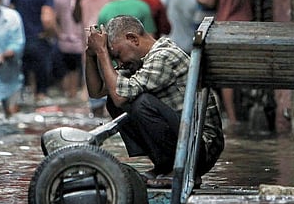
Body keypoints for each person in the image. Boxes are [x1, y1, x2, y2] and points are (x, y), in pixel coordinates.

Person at [85, 15, 224, 183]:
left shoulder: (163, 56)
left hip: (201, 148)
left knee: (140, 102)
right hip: (186, 141)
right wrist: (91, 55)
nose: (120, 63)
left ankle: (180, 169)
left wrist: (102, 52)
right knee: (114, 102)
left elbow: (121, 96)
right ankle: (165, 165)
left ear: (133, 39)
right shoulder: (139, 62)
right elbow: (97, 91)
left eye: (118, 55)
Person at [196, 0, 253, 126]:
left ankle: (233, 119)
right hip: (247, 25)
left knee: (227, 74)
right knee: (242, 71)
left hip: (227, 27)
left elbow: (210, 1)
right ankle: (242, 113)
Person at [74, 0, 118, 116]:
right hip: (90, 51)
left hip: (113, 52)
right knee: (95, 105)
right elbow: (76, 18)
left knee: (117, 100)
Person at [13, 0, 57, 104]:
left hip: (19, 42)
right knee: (41, 92)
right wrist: (51, 34)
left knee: (23, 89)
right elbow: (47, 19)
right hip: (39, 41)